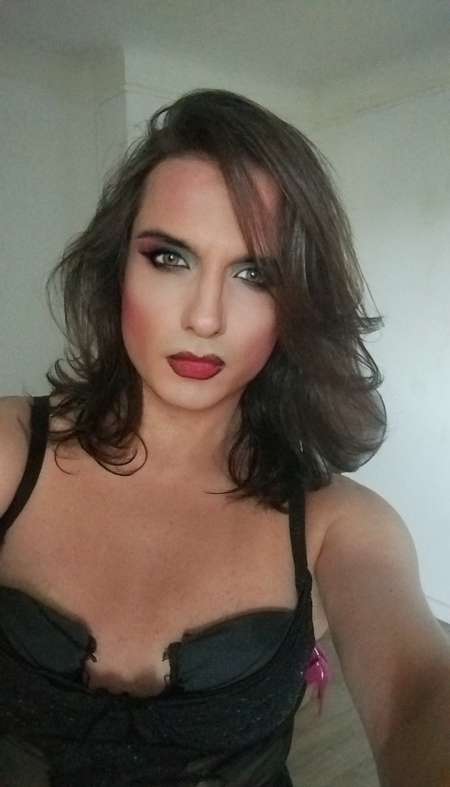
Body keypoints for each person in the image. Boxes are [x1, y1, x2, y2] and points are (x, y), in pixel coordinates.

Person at [0, 89, 448, 787]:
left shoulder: (338, 524)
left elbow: (418, 698)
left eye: (254, 274)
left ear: (295, 303)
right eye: (169, 258)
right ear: (118, 267)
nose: (205, 317)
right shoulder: (9, 450)